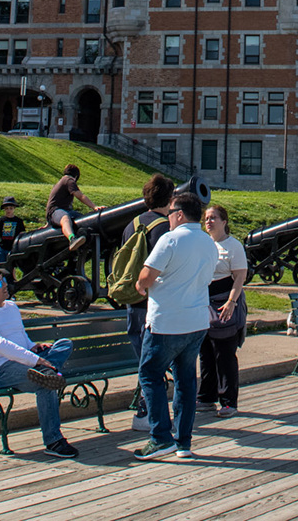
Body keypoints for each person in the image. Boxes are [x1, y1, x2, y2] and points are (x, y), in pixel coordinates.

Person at [131, 192, 220, 462]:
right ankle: (183, 442)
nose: (167, 218)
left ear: (179, 214)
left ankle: (160, 438)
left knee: (149, 374)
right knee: (185, 381)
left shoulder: (169, 239)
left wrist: (139, 285)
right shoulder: (208, 243)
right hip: (196, 322)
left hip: (167, 321)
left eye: (170, 213)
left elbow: (146, 276)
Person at [0, 267, 76, 457]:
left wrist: (34, 347)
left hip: (26, 362)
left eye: (4, 280)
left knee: (64, 344)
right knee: (45, 384)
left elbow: (20, 337)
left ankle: (48, 372)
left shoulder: (10, 307)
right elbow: (1, 346)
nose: (5, 285)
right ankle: (54, 441)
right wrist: (37, 359)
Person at [120, 174, 175, 435]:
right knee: (152, 364)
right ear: (169, 199)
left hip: (133, 303)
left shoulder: (131, 224)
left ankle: (146, 410)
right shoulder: (164, 228)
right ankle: (147, 412)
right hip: (154, 305)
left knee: (143, 359)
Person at [196, 204, 249, 416]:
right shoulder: (203, 244)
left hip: (225, 301)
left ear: (224, 222)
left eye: (213, 218)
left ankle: (228, 401)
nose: (209, 221)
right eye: (207, 218)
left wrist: (231, 302)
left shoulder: (233, 246)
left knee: (225, 352)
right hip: (204, 301)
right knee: (205, 351)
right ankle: (206, 397)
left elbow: (239, 277)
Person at [45, 165, 93, 249]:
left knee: (85, 219)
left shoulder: (62, 181)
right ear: (76, 177)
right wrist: (95, 207)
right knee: (65, 218)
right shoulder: (69, 180)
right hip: (56, 211)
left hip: (64, 211)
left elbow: (52, 200)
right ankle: (72, 239)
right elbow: (80, 196)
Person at [0, 197, 25, 266]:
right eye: (7, 208)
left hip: (13, 248)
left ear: (14, 209)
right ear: (4, 209)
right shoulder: (1, 220)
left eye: (11, 208)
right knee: (0, 265)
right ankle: (0, 276)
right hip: (2, 247)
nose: (9, 210)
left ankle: (11, 276)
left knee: (11, 266)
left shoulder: (18, 221)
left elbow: (22, 233)